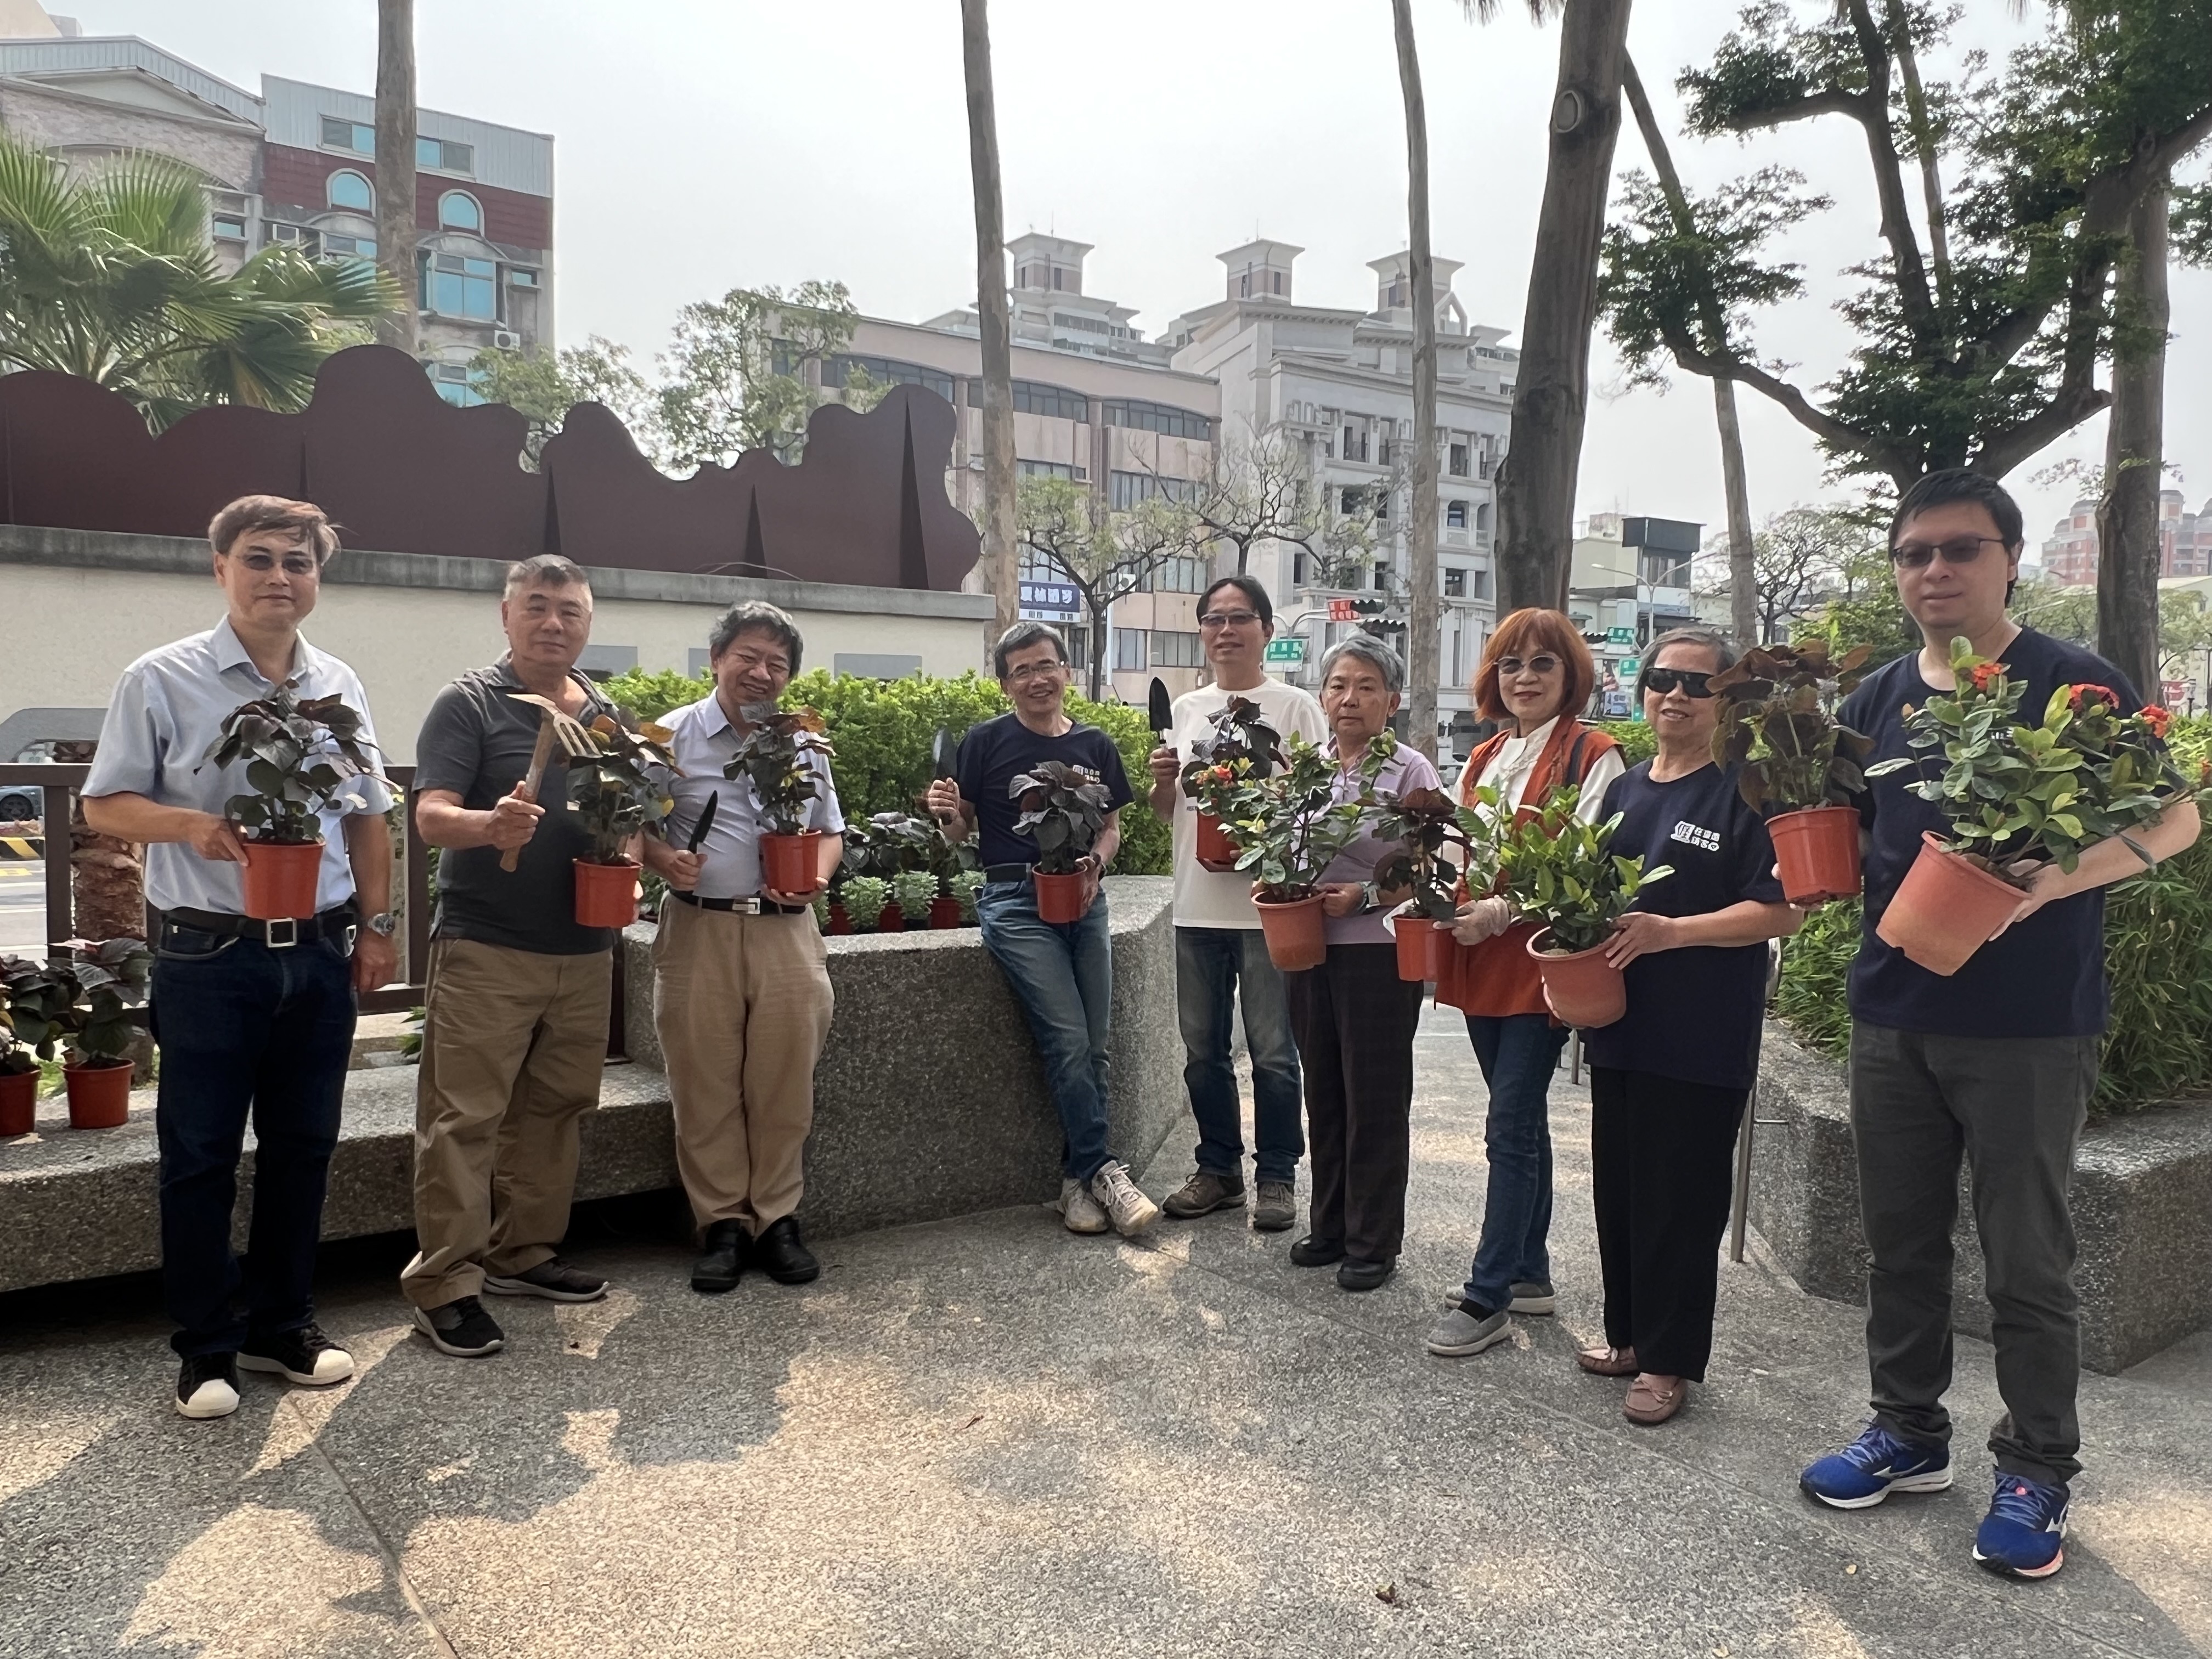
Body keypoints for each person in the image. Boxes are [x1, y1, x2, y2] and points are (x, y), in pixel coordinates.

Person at [1797, 470, 2200, 1578]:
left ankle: (2038, 1468)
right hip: (1893, 1015)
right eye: (1916, 552)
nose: (1936, 570)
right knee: (1902, 1245)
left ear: (2009, 559)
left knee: (2029, 1260)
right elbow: (1843, 833)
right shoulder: (1877, 698)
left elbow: (2174, 819)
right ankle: (1908, 1432)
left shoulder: (2073, 684)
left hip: (2028, 1027)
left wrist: (2048, 886)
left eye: (1961, 549)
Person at [82, 496, 396, 1419]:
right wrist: (192, 824)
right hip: (208, 953)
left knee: (304, 1146)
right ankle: (206, 1344)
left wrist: (377, 926)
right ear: (219, 568)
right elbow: (106, 804)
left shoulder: (336, 682)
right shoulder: (162, 678)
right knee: (200, 1153)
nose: (278, 577)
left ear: (316, 580)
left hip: (321, 949)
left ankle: (282, 1325)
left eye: (297, 562)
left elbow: (368, 816)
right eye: (258, 559)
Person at [1575, 630, 1799, 1425]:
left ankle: (1671, 1362)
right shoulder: (1627, 789)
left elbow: (1782, 909)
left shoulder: (1748, 790)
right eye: (1660, 679)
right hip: (1620, 1024)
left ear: (1727, 700)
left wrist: (1673, 931)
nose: (1674, 694)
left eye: (1696, 684)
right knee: (1623, 1191)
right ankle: (1629, 1336)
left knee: (1683, 1198)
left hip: (1701, 1034)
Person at [402, 555, 621, 1358]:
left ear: (588, 622)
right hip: (488, 945)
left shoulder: (603, 711)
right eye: (538, 606)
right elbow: (429, 816)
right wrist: (487, 826)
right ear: (507, 615)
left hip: (584, 945)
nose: (553, 622)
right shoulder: (468, 704)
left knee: (558, 1108)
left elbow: (623, 806)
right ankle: (444, 1284)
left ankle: (522, 1253)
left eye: (569, 609)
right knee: (464, 1119)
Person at [1426, 609, 1624, 1359]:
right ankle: (1529, 1274)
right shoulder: (1484, 758)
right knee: (1520, 1120)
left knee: (1508, 1125)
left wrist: (1503, 909)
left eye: (1543, 664)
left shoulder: (1594, 755)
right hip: (1478, 956)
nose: (1526, 678)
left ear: (1570, 674)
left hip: (1541, 959)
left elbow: (1592, 874)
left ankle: (1487, 1296)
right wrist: (1434, 899)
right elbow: (1455, 850)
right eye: (1512, 665)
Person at [924, 623, 1159, 1238]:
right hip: (1013, 900)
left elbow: (1110, 827)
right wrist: (948, 816)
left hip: (1085, 896)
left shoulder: (1095, 744)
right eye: (1022, 670)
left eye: (1046, 665)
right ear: (1005, 684)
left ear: (1066, 672)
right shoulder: (986, 742)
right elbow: (960, 832)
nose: (1037, 679)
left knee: (1095, 1045)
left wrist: (1097, 863)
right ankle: (1107, 1171)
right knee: (1069, 1040)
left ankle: (1074, 1184)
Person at [639, 603, 841, 1294]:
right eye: (748, 657)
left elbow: (830, 829)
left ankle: (778, 1218)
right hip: (699, 927)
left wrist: (818, 874)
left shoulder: (806, 743)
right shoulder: (670, 736)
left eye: (776, 664)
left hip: (786, 932)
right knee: (705, 1082)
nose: (761, 673)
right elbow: (630, 827)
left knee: (785, 1081)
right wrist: (665, 861)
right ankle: (722, 1223)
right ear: (717, 656)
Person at [1147, 575, 1328, 1233]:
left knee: (1275, 1051)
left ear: (1266, 630)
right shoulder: (1187, 707)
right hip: (1196, 907)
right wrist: (1162, 784)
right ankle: (1218, 1170)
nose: (1226, 630)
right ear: (1202, 632)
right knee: (1202, 1051)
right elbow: (1172, 814)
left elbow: (1316, 802)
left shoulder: (1295, 706)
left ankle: (1277, 1175)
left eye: (1240, 618)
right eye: (1214, 618)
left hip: (1265, 909)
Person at [1280, 637, 1437, 1291]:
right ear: (1323, 698)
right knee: (1323, 1089)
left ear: (1392, 701)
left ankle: (1374, 1241)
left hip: (1379, 952)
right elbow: (1277, 845)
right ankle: (1332, 1225)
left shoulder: (1410, 772)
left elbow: (1433, 867)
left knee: (1374, 1097)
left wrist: (1369, 895)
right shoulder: (1306, 771)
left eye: (1367, 685)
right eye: (1339, 684)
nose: (1350, 698)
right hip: (1307, 949)